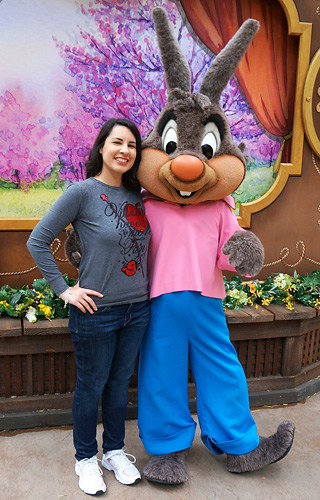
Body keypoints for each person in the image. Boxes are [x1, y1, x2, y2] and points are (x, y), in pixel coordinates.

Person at [27, 118, 151, 496]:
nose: (124, 150)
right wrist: (64, 291)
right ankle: (85, 459)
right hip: (96, 312)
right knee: (91, 386)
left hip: (137, 310)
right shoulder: (81, 192)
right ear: (101, 147)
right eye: (117, 142)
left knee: (118, 384)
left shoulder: (138, 197)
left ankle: (114, 451)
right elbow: (38, 241)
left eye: (132, 145)